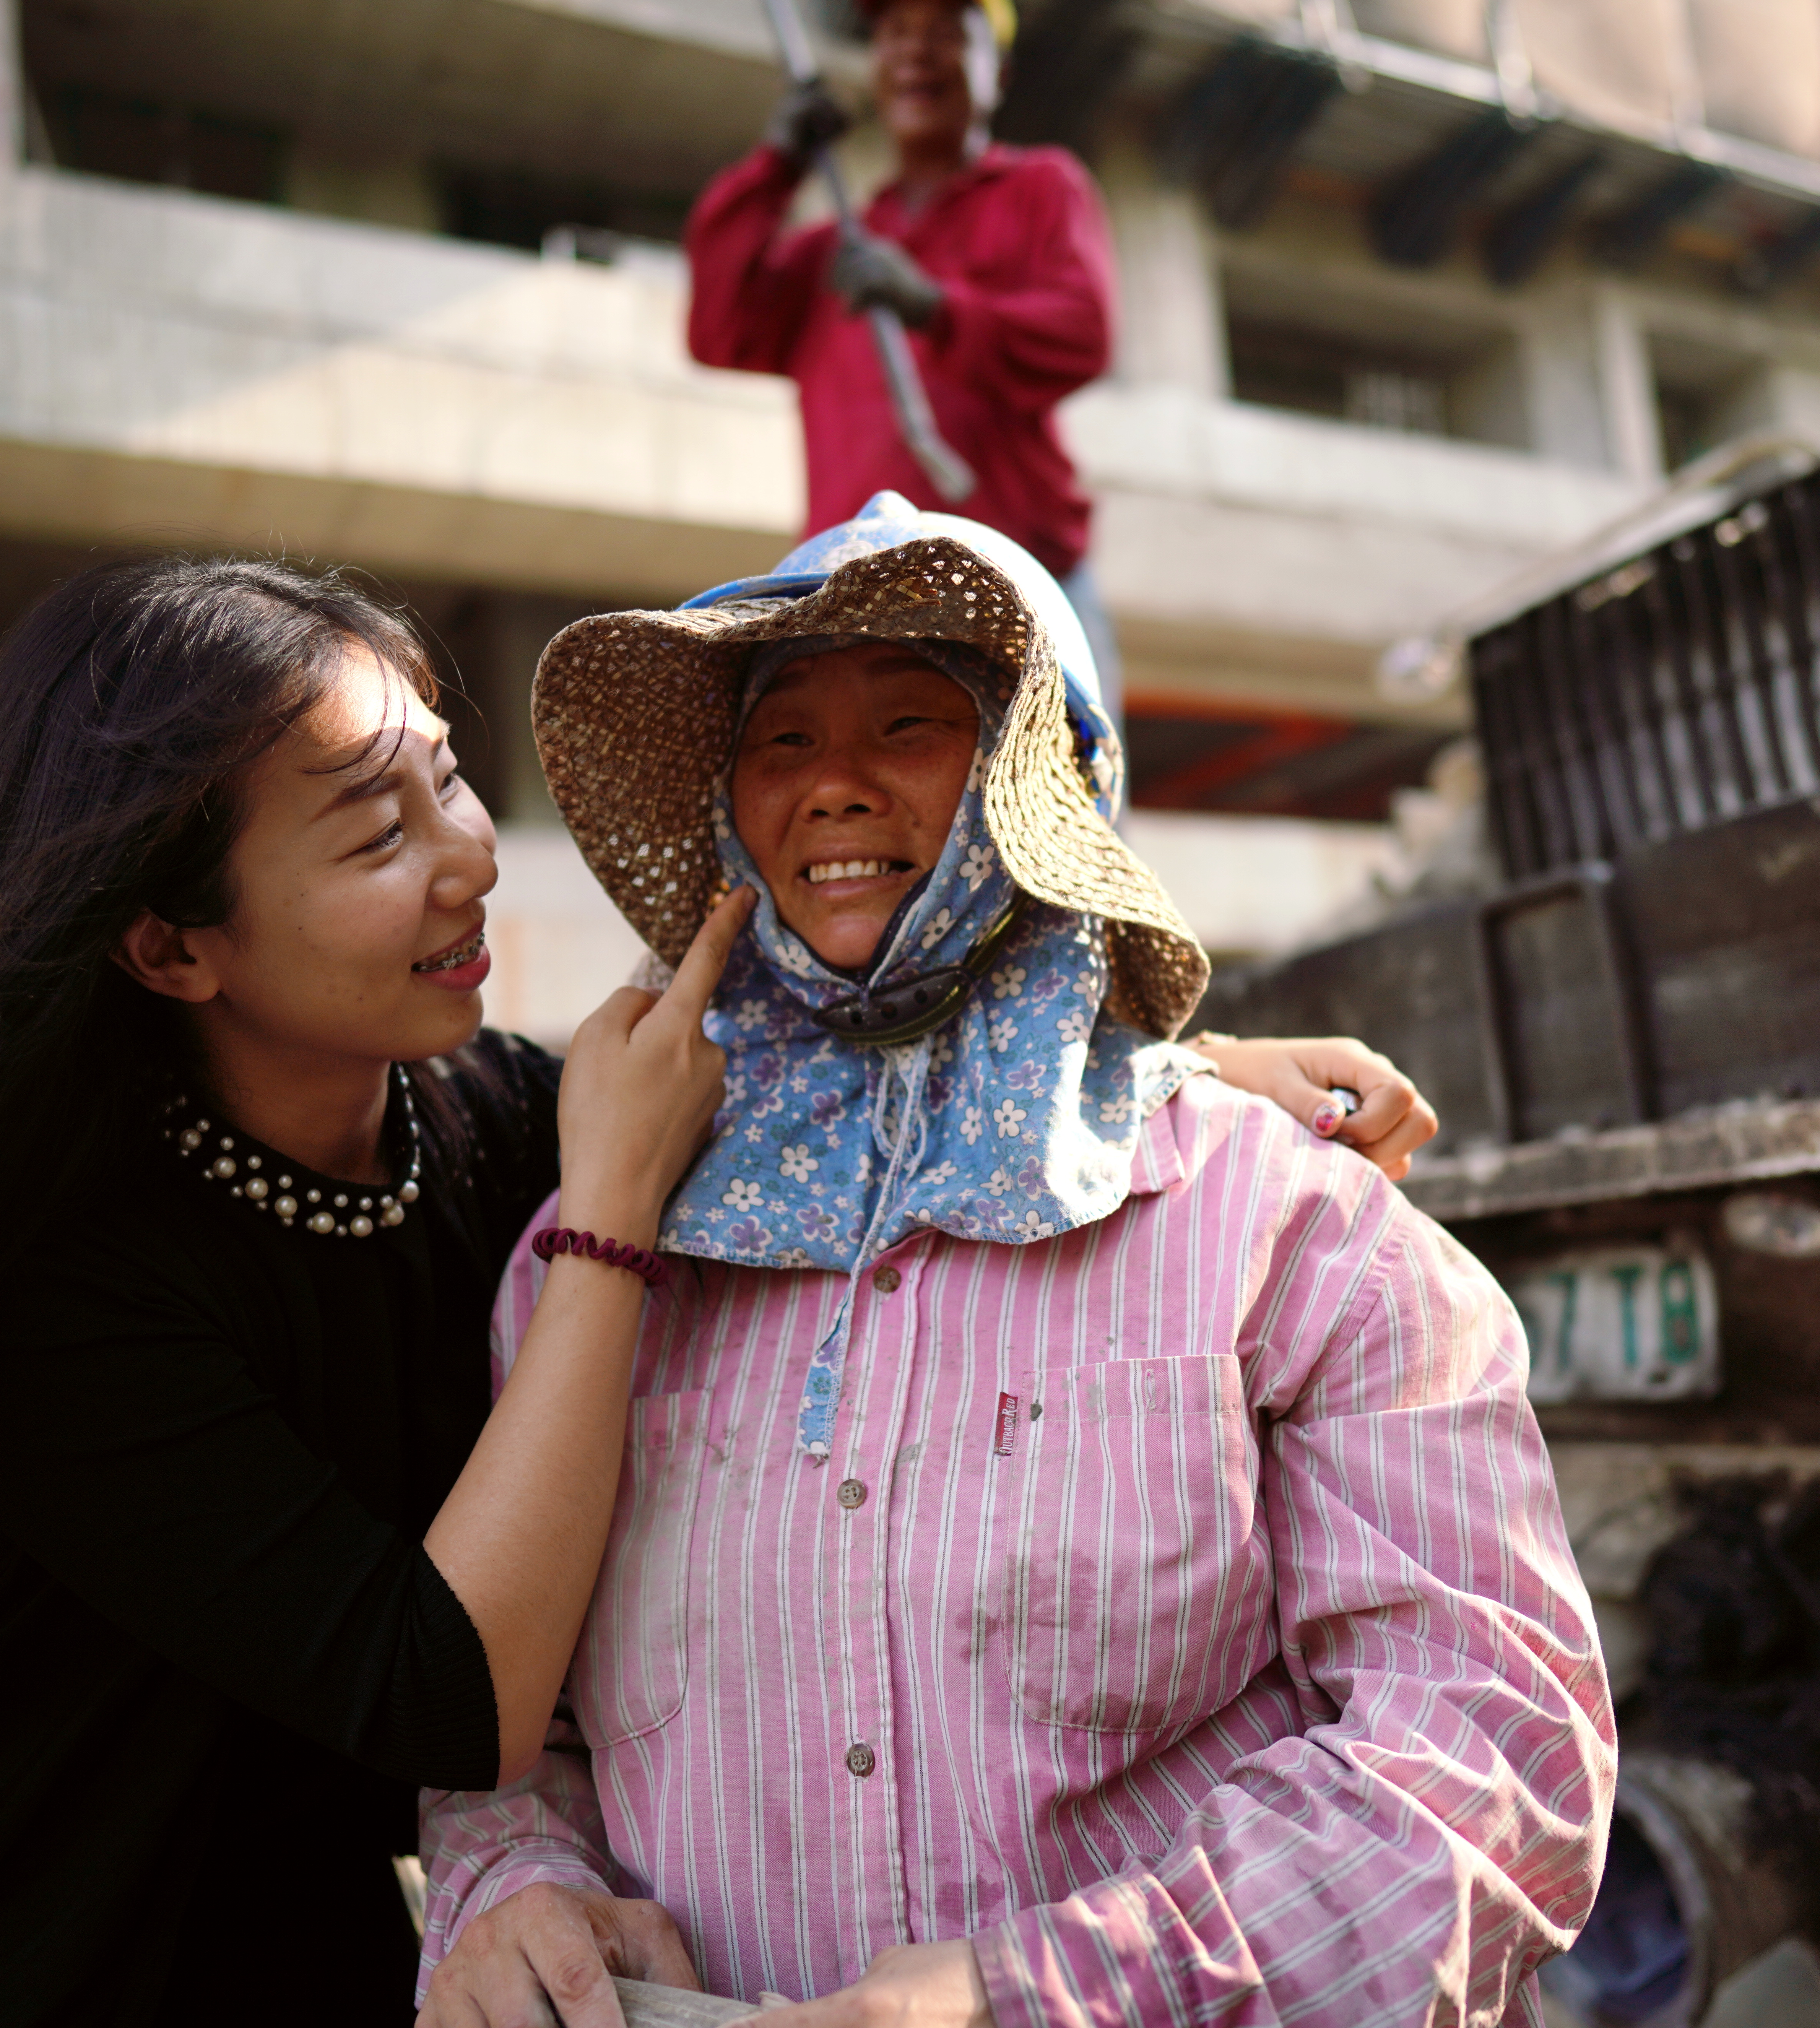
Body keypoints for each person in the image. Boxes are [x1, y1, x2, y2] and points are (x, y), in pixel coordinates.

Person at [0, 552, 1427, 2026]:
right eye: (376, 833)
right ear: (171, 942)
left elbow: (843, 1095)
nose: (469, 853)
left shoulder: (476, 1115)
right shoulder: (57, 1289)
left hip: (305, 1978)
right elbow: (449, 1698)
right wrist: (611, 1223)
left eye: (448, 772)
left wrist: (1173, 1075)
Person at [413, 495, 1615, 2028]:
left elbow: (1487, 1757)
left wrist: (1030, 1998)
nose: (833, 786)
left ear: (1028, 781)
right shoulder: (595, 1254)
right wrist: (512, 1890)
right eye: (779, 742)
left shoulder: (1282, 1229)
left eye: (910, 724)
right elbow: (509, 1731)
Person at [686, 0, 1128, 697]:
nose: (916, 52)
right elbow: (720, 326)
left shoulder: (1040, 187)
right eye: (895, 34)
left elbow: (1083, 331)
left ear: (998, 70)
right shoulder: (838, 250)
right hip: (855, 604)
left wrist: (933, 306)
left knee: (1064, 806)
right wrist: (776, 166)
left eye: (947, 34)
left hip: (1019, 589)